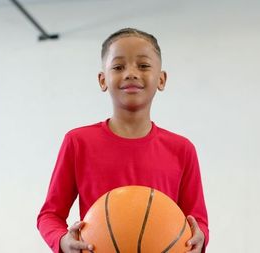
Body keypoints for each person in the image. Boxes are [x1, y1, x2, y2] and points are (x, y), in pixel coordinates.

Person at [37, 28, 209, 253]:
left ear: (161, 79)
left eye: (144, 65)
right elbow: (49, 215)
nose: (131, 73)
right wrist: (62, 240)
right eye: (118, 67)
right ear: (102, 80)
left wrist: (199, 238)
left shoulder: (182, 149)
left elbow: (198, 220)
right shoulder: (78, 142)